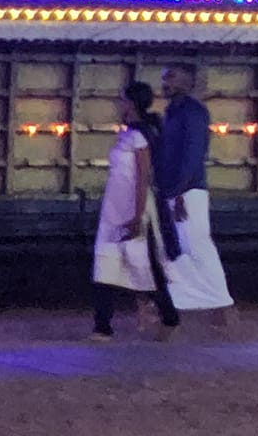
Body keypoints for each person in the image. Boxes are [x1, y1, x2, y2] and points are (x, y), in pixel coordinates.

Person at [90, 82, 180, 342]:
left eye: (123, 100)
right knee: (105, 264)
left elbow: (142, 178)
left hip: (133, 207)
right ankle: (102, 327)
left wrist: (138, 216)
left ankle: (170, 316)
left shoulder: (140, 136)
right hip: (114, 208)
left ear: (131, 103)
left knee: (145, 267)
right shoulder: (128, 134)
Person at [156, 62, 234, 315]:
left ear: (188, 81)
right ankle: (193, 299)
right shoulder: (173, 111)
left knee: (197, 243)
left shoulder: (193, 112)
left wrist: (179, 190)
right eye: (165, 77)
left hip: (187, 190)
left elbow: (193, 153)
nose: (166, 83)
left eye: (172, 77)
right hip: (175, 189)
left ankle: (219, 301)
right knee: (181, 245)